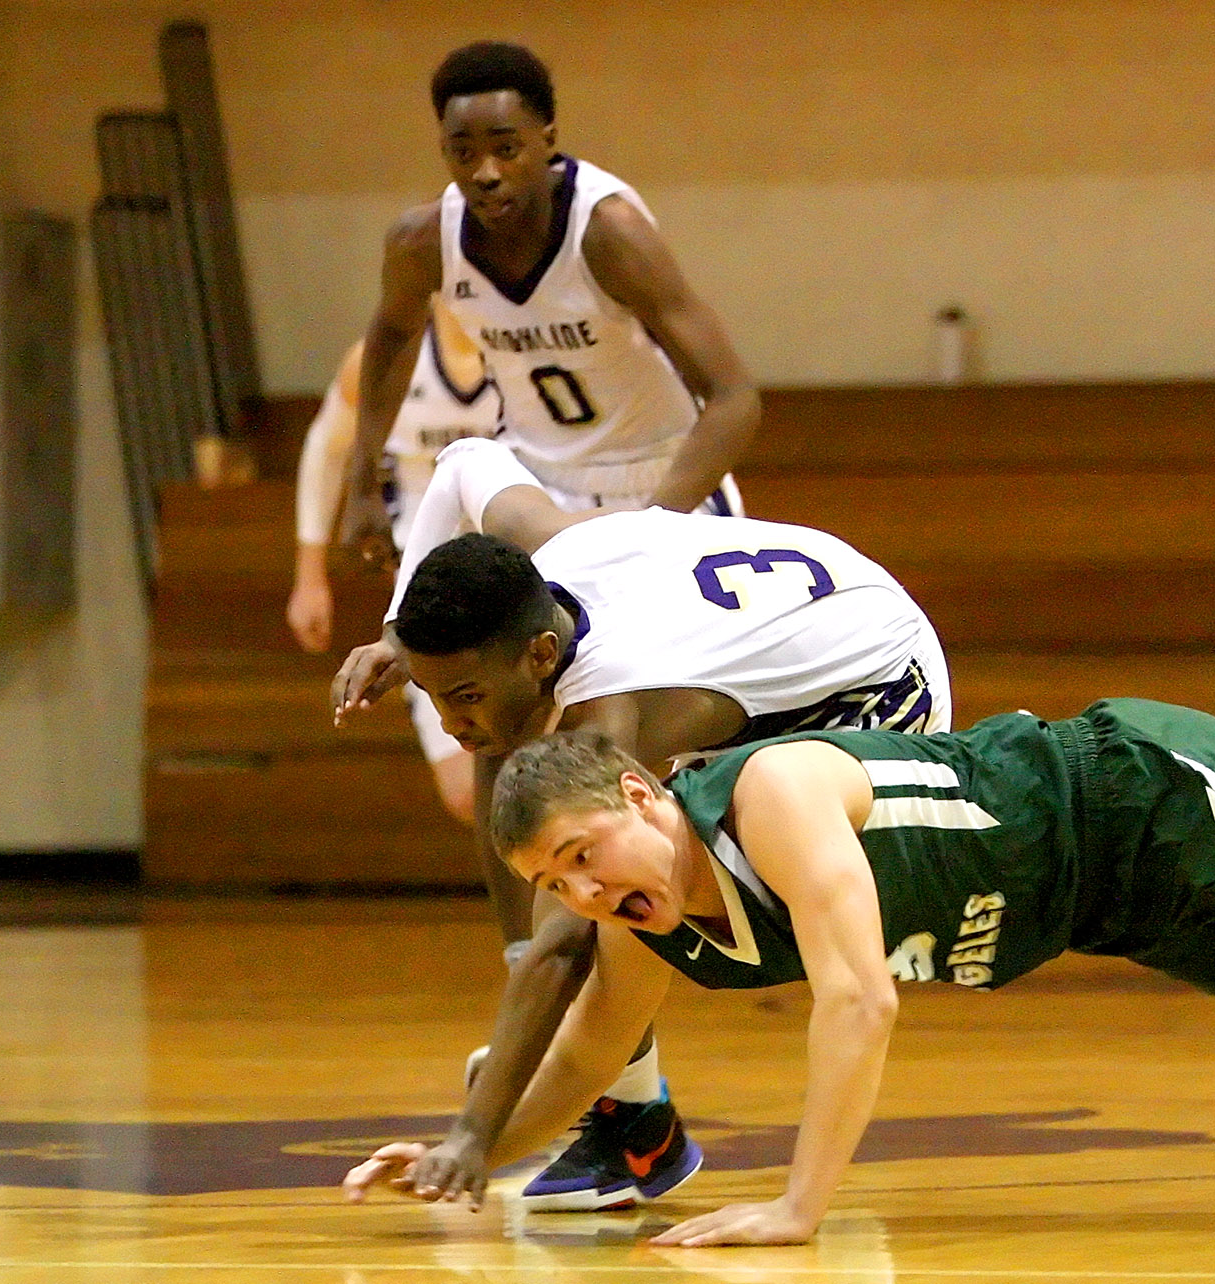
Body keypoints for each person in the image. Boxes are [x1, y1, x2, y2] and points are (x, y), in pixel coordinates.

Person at [344, 699, 1215, 1245]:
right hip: (1118, 909)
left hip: (1140, 795)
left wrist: (800, 1208)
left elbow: (859, 999)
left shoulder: (771, 795)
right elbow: (588, 1065)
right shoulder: (647, 932)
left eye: (584, 853)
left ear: (640, 794)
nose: (585, 892)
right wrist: (466, 1147)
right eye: (557, 884)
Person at [332, 437, 950, 1209]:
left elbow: (563, 949)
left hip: (885, 694)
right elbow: (462, 462)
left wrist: (473, 1130)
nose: (450, 722)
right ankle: (628, 1103)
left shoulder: (618, 709)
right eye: (435, 697)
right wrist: (398, 632)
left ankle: (637, 1121)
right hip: (816, 623)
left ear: (542, 654)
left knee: (624, 884)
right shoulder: (553, 548)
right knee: (552, 812)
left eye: (461, 693)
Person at [343, 40, 758, 555]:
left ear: (548, 140)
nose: (485, 173)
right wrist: (362, 484)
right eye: (463, 153)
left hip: (661, 477)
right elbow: (391, 339)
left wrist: (653, 530)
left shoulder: (609, 233)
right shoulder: (421, 242)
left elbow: (734, 399)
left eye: (506, 148)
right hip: (533, 480)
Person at [288, 297, 499, 822]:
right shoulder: (376, 362)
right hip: (427, 593)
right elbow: (326, 448)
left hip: (522, 581)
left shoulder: (524, 355)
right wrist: (309, 577)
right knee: (467, 795)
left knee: (534, 772)